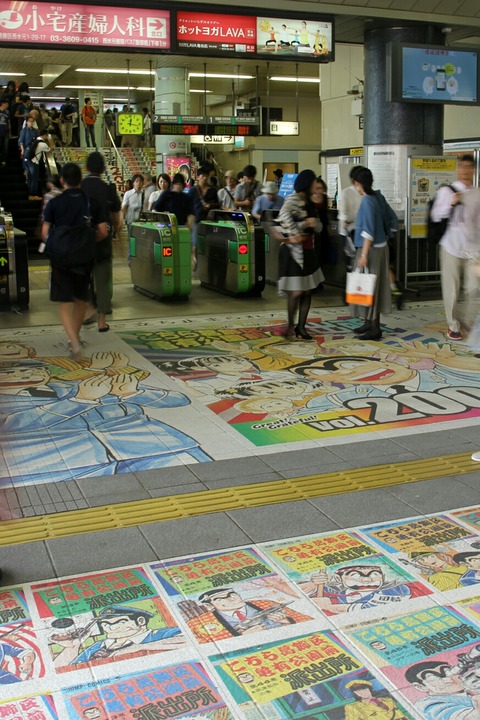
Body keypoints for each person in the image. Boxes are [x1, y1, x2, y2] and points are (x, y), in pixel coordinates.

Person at [42, 163, 108, 358]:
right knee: (80, 299)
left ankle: (74, 342)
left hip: (61, 260)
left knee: (64, 302)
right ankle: (75, 339)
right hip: (84, 258)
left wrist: (57, 244)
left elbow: (45, 232)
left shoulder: (55, 203)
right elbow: (103, 232)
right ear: (81, 180)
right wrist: (86, 242)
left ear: (62, 180)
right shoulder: (91, 202)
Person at [431, 154, 477, 340]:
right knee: (451, 288)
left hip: (473, 247)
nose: (466, 170)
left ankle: (466, 318)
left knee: (473, 287)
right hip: (451, 245)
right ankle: (453, 324)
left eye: (469, 167)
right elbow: (436, 216)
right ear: (458, 169)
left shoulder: (476, 193)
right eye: (462, 167)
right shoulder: (447, 191)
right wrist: (452, 203)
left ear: (474, 170)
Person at [350, 166, 398, 341]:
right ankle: (368, 322)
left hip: (371, 249)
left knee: (371, 287)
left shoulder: (367, 201)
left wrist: (363, 255)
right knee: (370, 285)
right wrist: (388, 234)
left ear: (358, 183)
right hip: (380, 247)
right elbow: (392, 219)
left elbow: (368, 231)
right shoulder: (377, 197)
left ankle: (375, 328)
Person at [276, 169, 324, 339]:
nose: (316, 187)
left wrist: (314, 223)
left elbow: (319, 227)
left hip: (308, 250)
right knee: (296, 291)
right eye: (313, 184)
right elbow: (283, 216)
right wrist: (301, 227)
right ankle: (290, 325)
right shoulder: (293, 199)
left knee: (307, 290)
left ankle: (301, 327)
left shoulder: (311, 202)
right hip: (293, 252)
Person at [52, 605, 183, 667]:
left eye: (118, 622)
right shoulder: (99, 645)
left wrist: (136, 648)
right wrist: (72, 647)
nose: (109, 627)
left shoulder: (160, 634)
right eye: (105, 624)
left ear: (141, 621)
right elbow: (62, 670)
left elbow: (190, 639)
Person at [81, 151, 122, 333]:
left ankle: (87, 312)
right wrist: (116, 229)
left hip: (82, 240)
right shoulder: (108, 188)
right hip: (103, 238)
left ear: (86, 168)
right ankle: (102, 321)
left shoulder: (80, 187)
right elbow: (116, 214)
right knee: (103, 279)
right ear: (103, 169)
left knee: (83, 277)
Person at [187, 587, 308, 642]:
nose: (230, 599)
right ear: (210, 606)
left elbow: (307, 621)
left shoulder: (266, 604)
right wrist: (242, 636)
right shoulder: (198, 622)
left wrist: (287, 621)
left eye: (231, 594)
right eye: (220, 599)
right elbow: (202, 645)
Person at [405, 660, 479, 720]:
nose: (449, 679)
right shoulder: (427, 704)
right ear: (420, 687)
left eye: (450, 673)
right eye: (434, 678)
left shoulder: (469, 690)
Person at [188, 165, 219, 270]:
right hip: (197, 220)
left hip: (210, 221)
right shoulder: (193, 190)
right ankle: (195, 259)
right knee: (195, 242)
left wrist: (210, 206)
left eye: (206, 176)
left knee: (208, 243)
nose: (204, 178)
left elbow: (217, 204)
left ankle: (207, 262)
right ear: (198, 177)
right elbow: (188, 205)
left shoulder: (213, 191)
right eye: (202, 176)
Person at [338, 165, 364, 268]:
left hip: (361, 230)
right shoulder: (346, 192)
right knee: (351, 260)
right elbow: (343, 214)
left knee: (359, 260)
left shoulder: (365, 192)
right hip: (349, 232)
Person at [344, 680, 408, 720]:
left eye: (365, 689)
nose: (363, 693)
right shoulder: (354, 707)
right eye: (358, 691)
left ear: (370, 689)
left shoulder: (388, 700)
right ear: (355, 693)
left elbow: (402, 716)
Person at [0, 97, 10, 166]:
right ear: (3, 104)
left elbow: (9, 122)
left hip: (5, 131)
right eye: (6, 104)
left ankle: (3, 160)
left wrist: (10, 131)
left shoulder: (7, 112)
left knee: (5, 147)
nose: (7, 105)